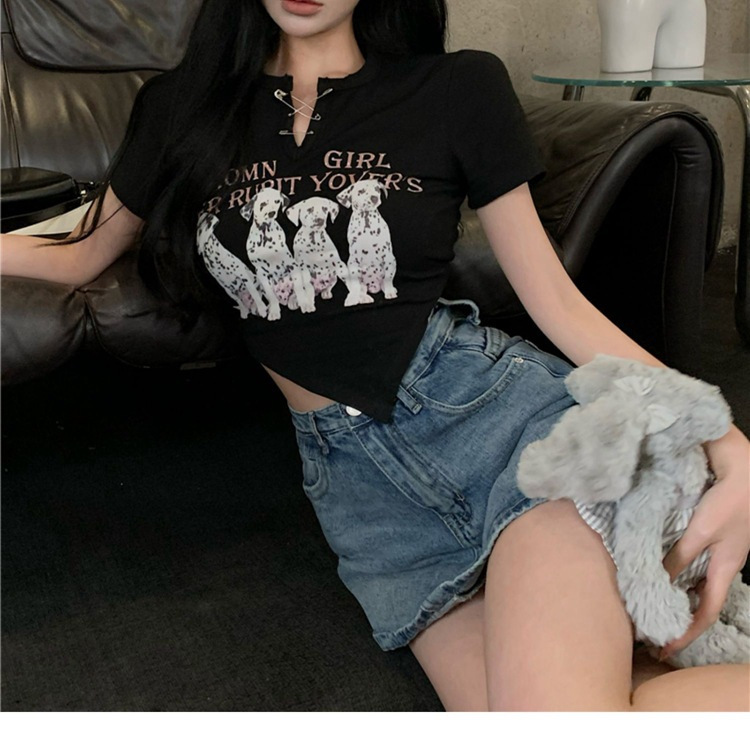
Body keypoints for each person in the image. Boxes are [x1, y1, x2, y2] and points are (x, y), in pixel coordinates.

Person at [1, 0, 748, 712]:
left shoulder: (455, 86)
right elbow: (78, 253)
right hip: (367, 501)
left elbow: (558, 302)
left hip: (506, 432)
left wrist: (726, 438)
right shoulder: (184, 106)